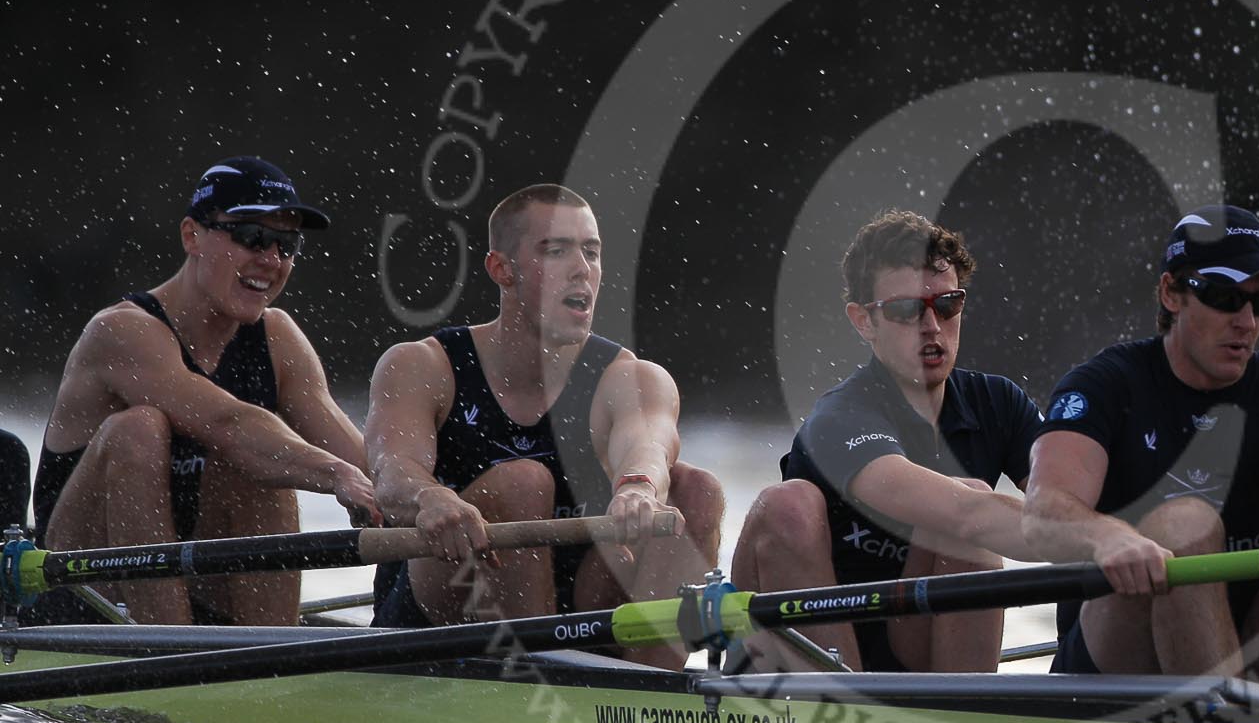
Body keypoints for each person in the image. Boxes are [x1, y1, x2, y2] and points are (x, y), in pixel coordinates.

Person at [1024, 205, 1259, 707]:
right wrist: (1110, 536)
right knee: (1185, 525)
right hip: (1117, 663)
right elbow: (1043, 511)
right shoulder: (1105, 386)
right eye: (1225, 296)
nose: (1245, 321)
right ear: (1171, 293)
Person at [365, 183, 723, 670]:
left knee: (696, 490)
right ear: (501, 269)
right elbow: (393, 471)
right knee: (523, 481)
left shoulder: (632, 378)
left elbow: (648, 444)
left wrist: (638, 487)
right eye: (556, 251)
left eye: (591, 252)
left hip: (582, 606)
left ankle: (647, 693)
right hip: (448, 602)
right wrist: (432, 498)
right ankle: (542, 686)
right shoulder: (421, 365)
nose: (582, 269)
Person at [732, 209, 1087, 672]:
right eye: (905, 309)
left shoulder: (999, 403)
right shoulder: (840, 417)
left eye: (947, 304)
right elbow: (969, 512)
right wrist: (1107, 543)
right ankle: (839, 712)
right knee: (789, 502)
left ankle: (968, 718)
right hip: (816, 655)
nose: (931, 327)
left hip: (911, 646)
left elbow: (1079, 501)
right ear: (864, 322)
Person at [28, 156, 379, 625]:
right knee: (142, 428)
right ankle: (174, 654)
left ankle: (268, 663)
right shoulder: (121, 331)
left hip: (194, 583)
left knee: (270, 464)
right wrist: (334, 474)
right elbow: (228, 423)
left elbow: (364, 460)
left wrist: (433, 501)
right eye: (252, 237)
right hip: (80, 594)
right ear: (192, 235)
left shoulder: (277, 338)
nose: (271, 260)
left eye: (286, 245)